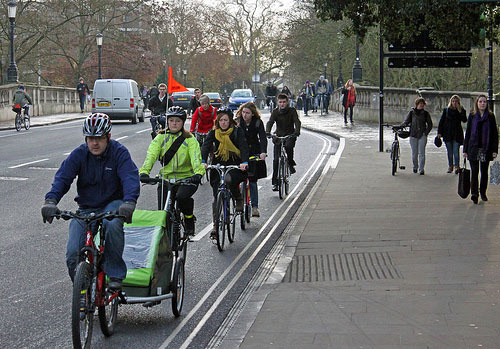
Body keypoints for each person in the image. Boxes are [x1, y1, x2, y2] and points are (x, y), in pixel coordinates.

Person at [41, 113, 140, 290]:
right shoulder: (79, 154)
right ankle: (84, 292)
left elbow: (129, 178)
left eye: (100, 139)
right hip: (87, 207)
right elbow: (63, 178)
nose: (95, 143)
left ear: (108, 137)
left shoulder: (119, 153)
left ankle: (115, 273)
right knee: (73, 253)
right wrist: (50, 200)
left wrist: (129, 202)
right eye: (91, 139)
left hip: (113, 205)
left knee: (112, 225)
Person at [139, 106, 205, 234]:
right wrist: (144, 172)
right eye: (171, 120)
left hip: (186, 178)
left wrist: (198, 173)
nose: (174, 123)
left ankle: (189, 219)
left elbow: (196, 158)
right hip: (166, 178)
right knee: (163, 213)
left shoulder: (190, 139)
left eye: (178, 121)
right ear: (167, 121)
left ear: (183, 122)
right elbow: (151, 156)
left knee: (181, 198)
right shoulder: (160, 138)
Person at [201, 107, 249, 238]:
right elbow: (205, 147)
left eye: (226, 120)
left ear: (230, 120)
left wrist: (244, 162)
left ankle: (238, 197)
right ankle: (215, 226)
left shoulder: (237, 132)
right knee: (216, 195)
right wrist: (203, 161)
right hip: (218, 165)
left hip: (235, 165)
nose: (223, 122)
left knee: (229, 179)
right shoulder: (213, 133)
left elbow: (244, 146)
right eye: (221, 120)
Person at [463, 95, 498, 204]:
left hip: (486, 148)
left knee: (484, 172)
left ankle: (483, 192)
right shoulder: (472, 116)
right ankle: (474, 194)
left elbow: (494, 135)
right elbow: (468, 133)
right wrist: (465, 150)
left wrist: (494, 150)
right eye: (480, 102)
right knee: (474, 172)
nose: (483, 104)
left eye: (484, 102)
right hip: (473, 147)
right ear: (477, 103)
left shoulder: (491, 117)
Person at [235, 102, 268, 217]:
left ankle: (254, 207)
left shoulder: (258, 122)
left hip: (254, 151)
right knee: (235, 178)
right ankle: (238, 200)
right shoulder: (237, 122)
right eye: (243, 112)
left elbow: (263, 138)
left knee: (252, 181)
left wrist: (263, 152)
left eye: (247, 113)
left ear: (252, 114)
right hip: (240, 151)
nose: (244, 115)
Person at [266, 93, 301, 191]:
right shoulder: (275, 112)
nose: (282, 104)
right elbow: (270, 122)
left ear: (287, 102)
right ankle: (275, 183)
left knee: (289, 147)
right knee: (276, 160)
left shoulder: (292, 111)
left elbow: (297, 121)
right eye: (280, 102)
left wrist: (297, 131)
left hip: (290, 135)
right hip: (278, 136)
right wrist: (267, 132)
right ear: (278, 102)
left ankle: (290, 163)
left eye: (284, 102)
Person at [401, 97, 433, 175]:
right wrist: (402, 125)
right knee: (414, 153)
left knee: (421, 153)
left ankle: (421, 169)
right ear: (417, 104)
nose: (422, 105)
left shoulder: (426, 114)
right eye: (420, 104)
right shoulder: (412, 113)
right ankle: (415, 166)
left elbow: (430, 124)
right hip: (413, 135)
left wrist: (425, 133)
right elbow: (407, 121)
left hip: (422, 135)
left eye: (423, 104)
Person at [437, 95, 467, 174]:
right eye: (453, 101)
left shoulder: (461, 110)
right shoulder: (446, 110)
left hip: (457, 134)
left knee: (456, 151)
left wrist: (460, 111)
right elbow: (441, 122)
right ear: (451, 102)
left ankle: (457, 166)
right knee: (449, 152)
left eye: (456, 101)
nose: (454, 103)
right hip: (448, 133)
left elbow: (464, 120)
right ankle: (450, 166)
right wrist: (439, 132)